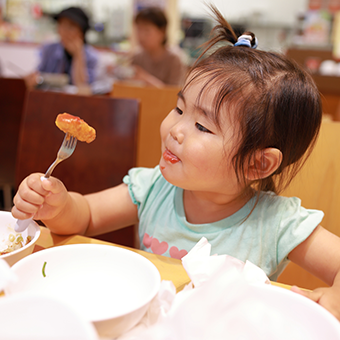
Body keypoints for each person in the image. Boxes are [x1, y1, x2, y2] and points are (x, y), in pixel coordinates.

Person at [12, 6, 340, 321]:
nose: (175, 130)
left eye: (202, 127)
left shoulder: (278, 223)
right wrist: (57, 205)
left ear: (258, 164)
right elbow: (86, 217)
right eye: (180, 110)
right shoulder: (154, 186)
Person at [25, 6, 98, 89]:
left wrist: (78, 55)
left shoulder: (91, 56)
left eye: (71, 27)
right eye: (61, 25)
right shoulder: (49, 50)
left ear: (81, 32)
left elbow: (83, 88)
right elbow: (38, 77)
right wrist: (32, 80)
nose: (64, 31)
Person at [129, 7, 186, 87]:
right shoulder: (137, 57)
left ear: (162, 32)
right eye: (139, 29)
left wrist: (146, 78)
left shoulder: (174, 59)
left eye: (147, 31)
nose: (141, 36)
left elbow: (174, 94)